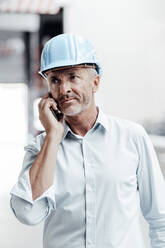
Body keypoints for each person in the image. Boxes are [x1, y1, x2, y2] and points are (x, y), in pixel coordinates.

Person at [10, 33, 165, 248]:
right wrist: (53, 137)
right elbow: (28, 214)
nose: (64, 89)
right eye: (55, 80)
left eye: (73, 77)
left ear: (95, 83)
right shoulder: (40, 147)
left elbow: (161, 218)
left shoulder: (132, 137)